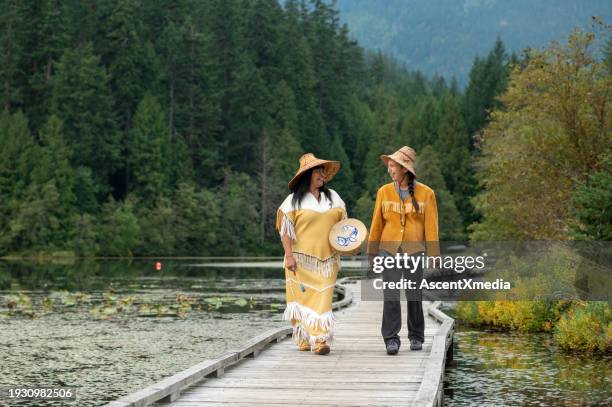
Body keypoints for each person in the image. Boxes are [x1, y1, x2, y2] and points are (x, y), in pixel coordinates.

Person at [367, 146, 439, 355]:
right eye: (389, 166)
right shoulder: (384, 191)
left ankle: (416, 336)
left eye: (393, 167)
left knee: (413, 294)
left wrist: (434, 254)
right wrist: (372, 252)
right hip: (388, 250)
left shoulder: (427, 194)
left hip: (414, 250)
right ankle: (391, 339)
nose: (389, 170)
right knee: (391, 295)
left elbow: (432, 226)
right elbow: (377, 224)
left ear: (405, 169)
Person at [276, 153, 347, 355]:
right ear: (307, 175)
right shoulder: (292, 202)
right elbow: (285, 231)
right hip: (299, 260)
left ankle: (320, 340)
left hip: (328, 261)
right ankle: (302, 337)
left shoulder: (334, 198)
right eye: (318, 171)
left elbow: (345, 227)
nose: (322, 175)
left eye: (323, 171)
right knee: (300, 300)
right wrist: (289, 255)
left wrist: (351, 245)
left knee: (323, 299)